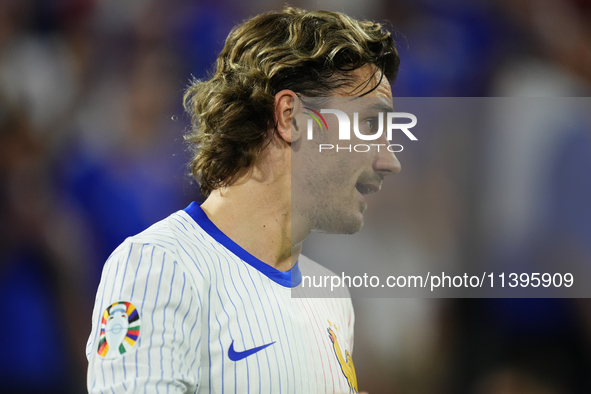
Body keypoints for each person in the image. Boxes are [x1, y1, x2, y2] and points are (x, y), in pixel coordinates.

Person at [86, 6, 401, 393]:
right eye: (370, 124)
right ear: (291, 118)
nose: (389, 160)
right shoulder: (159, 267)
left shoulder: (332, 296)